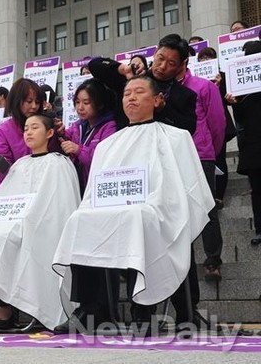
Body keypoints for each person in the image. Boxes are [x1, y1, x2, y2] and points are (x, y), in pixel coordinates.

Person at [52, 75, 215, 335]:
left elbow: (185, 189)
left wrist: (153, 200)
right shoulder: (107, 145)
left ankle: (143, 309)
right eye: (127, 93)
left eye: (139, 92)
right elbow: (97, 191)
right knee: (80, 219)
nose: (132, 97)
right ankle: (91, 308)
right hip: (118, 208)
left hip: (159, 209)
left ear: (158, 100)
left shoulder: (176, 137)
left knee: (139, 218)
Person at [0, 114, 81, 331]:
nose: (29, 132)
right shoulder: (20, 164)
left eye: (35, 128)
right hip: (11, 218)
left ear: (50, 133)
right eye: (25, 129)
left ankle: (7, 307)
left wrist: (26, 217)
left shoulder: (59, 163)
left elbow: (56, 204)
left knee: (7, 238)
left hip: (39, 223)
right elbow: (4, 197)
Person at [177, 52, 226, 282]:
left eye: (170, 60)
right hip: (173, 158)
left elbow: (217, 123)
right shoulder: (157, 90)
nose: (163, 65)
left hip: (200, 154)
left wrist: (210, 152)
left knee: (207, 209)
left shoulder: (204, 87)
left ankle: (213, 259)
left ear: (183, 62)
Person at [88, 34, 197, 133]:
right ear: (155, 53)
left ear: (181, 65)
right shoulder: (132, 80)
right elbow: (94, 65)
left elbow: (189, 129)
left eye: (171, 63)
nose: (163, 66)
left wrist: (163, 109)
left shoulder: (186, 96)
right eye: (160, 58)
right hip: (128, 146)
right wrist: (123, 68)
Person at [228, 41, 261, 245]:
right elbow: (240, 118)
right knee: (257, 190)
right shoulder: (242, 87)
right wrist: (233, 103)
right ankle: (259, 228)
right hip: (253, 145)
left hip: (253, 144)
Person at [58, 79, 117, 193]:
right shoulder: (78, 125)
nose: (80, 107)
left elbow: (106, 158)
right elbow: (66, 137)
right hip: (77, 185)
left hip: (97, 187)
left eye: (86, 103)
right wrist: (59, 132)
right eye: (77, 102)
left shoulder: (109, 127)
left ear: (99, 104)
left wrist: (79, 150)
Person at [198, 47, 237, 209]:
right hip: (201, 126)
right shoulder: (194, 78)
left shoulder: (223, 76)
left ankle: (219, 196)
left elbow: (230, 99)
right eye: (203, 58)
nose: (205, 61)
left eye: (209, 58)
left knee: (220, 158)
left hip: (219, 124)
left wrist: (218, 85)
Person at [0, 78, 46, 190]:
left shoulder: (48, 124)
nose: (34, 106)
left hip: (45, 185)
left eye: (38, 102)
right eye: (29, 102)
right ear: (16, 101)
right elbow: (4, 165)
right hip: (18, 189)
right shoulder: (2, 131)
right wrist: (0, 166)